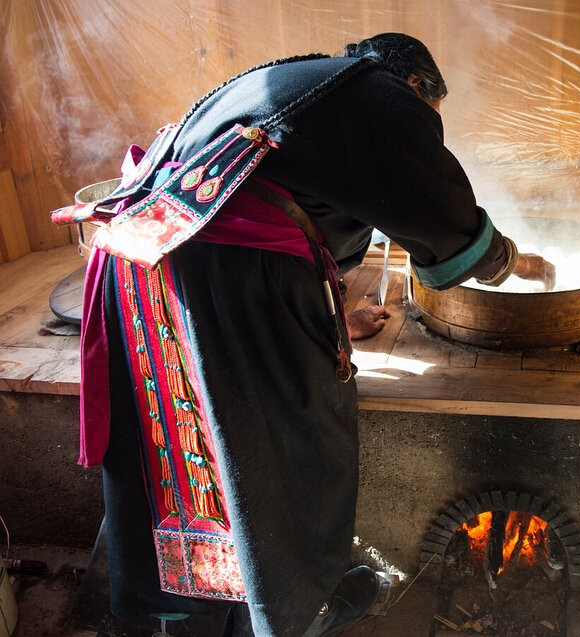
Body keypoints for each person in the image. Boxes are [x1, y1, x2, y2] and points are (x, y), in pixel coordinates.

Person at [59, 33, 554, 636]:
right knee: (287, 439)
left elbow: (274, 211)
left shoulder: (300, 83)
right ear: (419, 89)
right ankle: (294, 610)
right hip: (225, 288)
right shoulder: (381, 97)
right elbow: (446, 226)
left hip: (145, 275)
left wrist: (331, 316)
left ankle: (193, 609)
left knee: (178, 444)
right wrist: (508, 260)